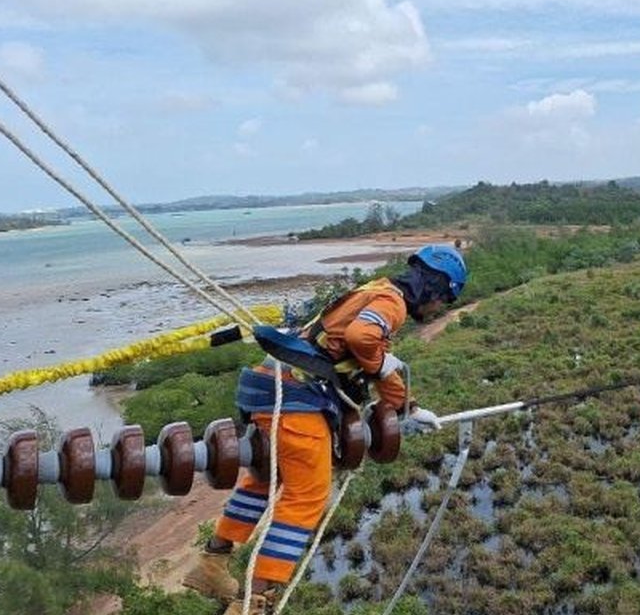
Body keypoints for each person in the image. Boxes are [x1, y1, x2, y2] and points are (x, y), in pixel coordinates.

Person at [182, 244, 468, 614]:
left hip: (268, 386)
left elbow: (357, 349)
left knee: (266, 477)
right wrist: (382, 366)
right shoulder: (392, 304)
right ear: (435, 286)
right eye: (443, 298)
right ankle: (257, 599)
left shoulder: (374, 288)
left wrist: (406, 407)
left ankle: (212, 563)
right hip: (297, 400)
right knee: (308, 496)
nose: (438, 308)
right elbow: (363, 339)